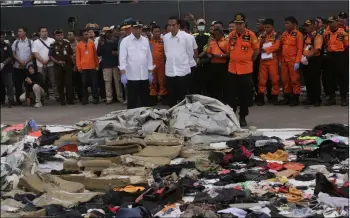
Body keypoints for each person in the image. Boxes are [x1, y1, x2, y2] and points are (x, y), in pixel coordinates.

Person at [226, 13, 260, 127]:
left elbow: (256, 51)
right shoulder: (231, 35)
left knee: (244, 95)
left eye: (240, 24)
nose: (238, 26)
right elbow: (228, 50)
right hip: (232, 70)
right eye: (236, 24)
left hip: (245, 70)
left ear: (244, 23)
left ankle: (242, 117)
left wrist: (250, 61)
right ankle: (231, 116)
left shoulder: (251, 35)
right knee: (231, 95)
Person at [119, 20, 153, 109]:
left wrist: (150, 72)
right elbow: (122, 58)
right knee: (132, 101)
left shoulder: (145, 40)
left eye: (139, 27)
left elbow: (149, 57)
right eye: (136, 28)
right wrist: (123, 74)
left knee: (145, 100)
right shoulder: (125, 41)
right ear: (131, 29)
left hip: (144, 75)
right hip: (131, 76)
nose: (138, 30)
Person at [163, 16, 194, 107]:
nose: (171, 27)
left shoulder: (187, 37)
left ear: (178, 25)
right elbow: (166, 52)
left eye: (173, 25)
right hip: (170, 72)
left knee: (183, 98)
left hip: (183, 72)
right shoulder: (165, 37)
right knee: (171, 98)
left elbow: (190, 53)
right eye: (169, 25)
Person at [323, 16, 348, 106]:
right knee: (330, 78)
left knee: (342, 78)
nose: (330, 24)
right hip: (330, 56)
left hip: (340, 55)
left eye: (332, 22)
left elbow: (347, 45)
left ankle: (343, 98)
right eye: (329, 22)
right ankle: (332, 98)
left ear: (337, 22)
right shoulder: (327, 33)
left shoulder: (343, 33)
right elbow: (325, 44)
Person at [279, 16, 303, 106]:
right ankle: (287, 97)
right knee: (285, 80)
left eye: (288, 23)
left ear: (293, 24)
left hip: (293, 60)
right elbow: (281, 46)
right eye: (285, 23)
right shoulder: (284, 34)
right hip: (284, 60)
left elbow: (300, 49)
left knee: (294, 80)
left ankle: (295, 98)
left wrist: (297, 61)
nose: (286, 25)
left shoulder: (298, 34)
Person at [256, 18, 280, 106]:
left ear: (272, 27)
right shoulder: (261, 35)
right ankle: (261, 98)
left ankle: (274, 97)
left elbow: (277, 46)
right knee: (262, 80)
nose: (267, 29)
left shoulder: (276, 35)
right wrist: (262, 41)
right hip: (263, 61)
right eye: (265, 27)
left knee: (274, 80)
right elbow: (257, 46)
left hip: (272, 60)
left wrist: (266, 49)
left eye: (268, 27)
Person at [97, 26, 123, 104]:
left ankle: (119, 97)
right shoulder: (101, 41)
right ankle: (109, 98)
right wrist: (101, 42)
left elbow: (118, 50)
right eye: (105, 32)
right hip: (106, 64)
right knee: (107, 82)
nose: (107, 33)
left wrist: (115, 53)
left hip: (115, 63)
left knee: (117, 81)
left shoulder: (115, 40)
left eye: (108, 32)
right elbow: (98, 53)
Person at [49, 29, 74, 105]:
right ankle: (62, 100)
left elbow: (71, 54)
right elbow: (50, 56)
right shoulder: (52, 45)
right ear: (55, 36)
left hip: (67, 65)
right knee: (59, 83)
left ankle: (70, 100)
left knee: (69, 83)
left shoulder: (67, 43)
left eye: (61, 35)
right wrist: (57, 62)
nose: (60, 36)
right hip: (57, 66)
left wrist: (74, 64)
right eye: (58, 35)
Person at [300, 19, 323, 107]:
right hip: (306, 61)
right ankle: (310, 98)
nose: (306, 27)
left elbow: (317, 49)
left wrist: (307, 57)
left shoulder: (317, 36)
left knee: (315, 80)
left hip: (314, 60)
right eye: (305, 26)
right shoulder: (306, 36)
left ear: (313, 25)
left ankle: (317, 99)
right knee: (307, 80)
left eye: (308, 26)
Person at [32, 27, 58, 101]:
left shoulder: (52, 40)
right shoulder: (35, 42)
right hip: (40, 65)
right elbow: (35, 53)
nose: (44, 33)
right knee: (41, 81)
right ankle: (42, 97)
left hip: (51, 64)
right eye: (42, 31)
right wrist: (43, 61)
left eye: (46, 31)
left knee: (54, 81)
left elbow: (54, 53)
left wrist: (48, 60)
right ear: (39, 33)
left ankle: (57, 96)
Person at [76, 29, 100, 105]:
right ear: (82, 36)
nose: (87, 36)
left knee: (94, 83)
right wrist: (79, 67)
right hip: (83, 68)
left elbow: (95, 55)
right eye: (85, 34)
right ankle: (85, 99)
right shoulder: (79, 45)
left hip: (92, 66)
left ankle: (95, 98)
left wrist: (97, 64)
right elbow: (78, 57)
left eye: (87, 34)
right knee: (84, 84)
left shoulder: (91, 43)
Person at [12, 27, 33, 105]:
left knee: (29, 84)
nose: (18, 32)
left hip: (28, 67)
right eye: (18, 31)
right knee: (18, 84)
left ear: (25, 33)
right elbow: (13, 54)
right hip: (18, 67)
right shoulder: (16, 42)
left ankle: (30, 99)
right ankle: (18, 101)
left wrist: (26, 61)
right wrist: (20, 61)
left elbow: (32, 54)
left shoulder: (30, 42)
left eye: (20, 31)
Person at [207, 27, 229, 102]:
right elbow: (208, 52)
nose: (216, 36)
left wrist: (221, 56)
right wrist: (210, 55)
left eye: (217, 34)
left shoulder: (226, 42)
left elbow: (229, 54)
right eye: (215, 34)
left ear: (221, 34)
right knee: (214, 83)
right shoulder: (212, 42)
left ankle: (223, 99)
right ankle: (215, 99)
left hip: (222, 65)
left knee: (223, 83)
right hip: (213, 65)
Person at [192, 18, 211, 95]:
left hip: (205, 59)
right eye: (199, 24)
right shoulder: (193, 36)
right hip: (195, 60)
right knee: (196, 79)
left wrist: (199, 56)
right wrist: (196, 58)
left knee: (206, 79)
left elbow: (208, 47)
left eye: (202, 24)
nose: (201, 26)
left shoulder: (209, 35)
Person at [150, 25, 167, 105]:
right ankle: (153, 97)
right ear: (152, 33)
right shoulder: (149, 42)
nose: (157, 33)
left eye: (158, 31)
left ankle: (163, 96)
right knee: (152, 81)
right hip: (152, 65)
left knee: (162, 80)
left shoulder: (163, 41)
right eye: (155, 32)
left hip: (161, 65)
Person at [67, 30, 83, 102]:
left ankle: (81, 97)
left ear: (74, 36)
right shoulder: (66, 44)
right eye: (68, 35)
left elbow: (80, 56)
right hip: (69, 65)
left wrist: (76, 65)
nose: (69, 36)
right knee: (70, 82)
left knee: (79, 82)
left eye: (71, 35)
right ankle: (71, 97)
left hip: (78, 65)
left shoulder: (78, 44)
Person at [0, 30, 15, 107]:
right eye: (0, 37)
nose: (1, 39)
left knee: (9, 85)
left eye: (3, 37)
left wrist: (3, 64)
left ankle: (11, 101)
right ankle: (1, 101)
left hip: (7, 69)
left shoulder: (7, 46)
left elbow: (10, 57)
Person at [253, 19, 266, 104]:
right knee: (256, 79)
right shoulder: (256, 34)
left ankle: (268, 97)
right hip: (256, 59)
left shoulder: (268, 34)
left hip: (266, 59)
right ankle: (258, 97)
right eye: (256, 23)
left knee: (264, 80)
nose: (257, 25)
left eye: (259, 24)